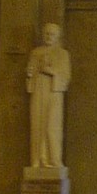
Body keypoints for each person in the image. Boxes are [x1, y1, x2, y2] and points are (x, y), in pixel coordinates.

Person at [26, 22, 71, 169]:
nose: (48, 37)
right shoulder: (36, 52)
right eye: (46, 34)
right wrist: (30, 73)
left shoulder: (63, 54)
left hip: (54, 93)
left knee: (52, 126)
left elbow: (66, 76)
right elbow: (30, 72)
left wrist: (50, 71)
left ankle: (54, 159)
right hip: (39, 91)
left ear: (57, 36)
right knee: (37, 125)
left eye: (52, 34)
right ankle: (38, 159)